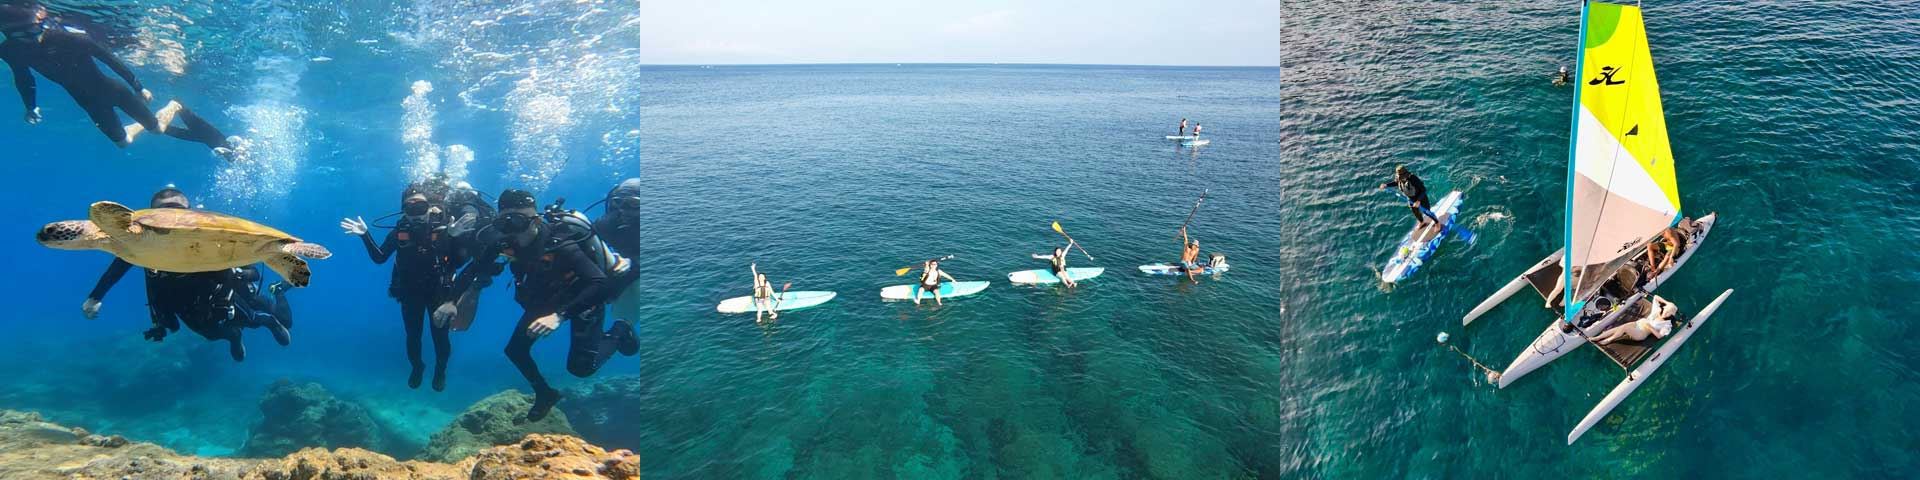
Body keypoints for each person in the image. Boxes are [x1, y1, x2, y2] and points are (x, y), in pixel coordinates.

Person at [437, 189, 638, 421]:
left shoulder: (560, 242)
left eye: (519, 221)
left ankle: (620, 329)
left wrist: (560, 316)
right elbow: (474, 269)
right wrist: (450, 301)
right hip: (543, 303)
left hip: (581, 300)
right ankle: (546, 394)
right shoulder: (503, 241)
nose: (514, 231)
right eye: (505, 222)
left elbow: (599, 283)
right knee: (515, 350)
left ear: (535, 218)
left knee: (582, 368)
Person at [0, 3, 234, 155]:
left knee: (157, 130)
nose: (25, 39)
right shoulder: (10, 50)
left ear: (41, 24)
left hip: (114, 91)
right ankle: (145, 123)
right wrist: (30, 107)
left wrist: (138, 87)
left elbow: (111, 60)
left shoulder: (72, 39)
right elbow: (23, 77)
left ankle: (173, 105)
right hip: (87, 101)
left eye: (28, 32)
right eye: (15, 34)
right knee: (123, 143)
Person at [80, 187, 254, 361]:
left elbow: (250, 266)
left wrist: (243, 274)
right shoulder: (141, 243)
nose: (172, 217)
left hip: (214, 292)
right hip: (176, 299)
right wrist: (95, 297)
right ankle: (234, 336)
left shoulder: (208, 236)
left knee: (252, 317)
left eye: (178, 211)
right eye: (164, 211)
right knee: (210, 334)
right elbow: (117, 268)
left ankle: (270, 320)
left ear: (191, 213)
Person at [341, 184, 466, 391]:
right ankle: (417, 367)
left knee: (440, 337)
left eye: (421, 207)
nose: (416, 215)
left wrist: (454, 237)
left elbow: (457, 261)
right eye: (410, 209)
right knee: (413, 335)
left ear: (430, 207)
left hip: (439, 292)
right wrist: (365, 235)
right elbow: (380, 258)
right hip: (410, 291)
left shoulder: (444, 228)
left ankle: (440, 370)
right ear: (403, 211)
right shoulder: (400, 232)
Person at [593, 178, 639, 330]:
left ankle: (623, 327)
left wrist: (631, 262)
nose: (623, 209)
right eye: (618, 202)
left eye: (632, 203)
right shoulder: (606, 224)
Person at [226, 264, 294, 348]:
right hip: (225, 308)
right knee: (212, 332)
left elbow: (255, 274)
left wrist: (243, 273)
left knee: (285, 320)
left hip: (249, 299)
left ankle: (278, 289)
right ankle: (235, 336)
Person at [1594, 295, 1676, 345]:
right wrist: (1668, 303)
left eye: (1669, 313)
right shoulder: (1657, 310)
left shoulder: (1667, 324)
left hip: (1642, 333)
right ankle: (1598, 337)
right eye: (1666, 310)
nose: (1666, 313)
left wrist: (1650, 327)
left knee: (1625, 328)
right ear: (1664, 307)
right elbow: (1655, 297)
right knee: (1621, 327)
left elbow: (1659, 336)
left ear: (1671, 315)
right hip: (1638, 324)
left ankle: (1608, 340)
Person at [1379, 165, 1438, 229]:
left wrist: (1418, 201)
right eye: (1400, 177)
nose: (1401, 178)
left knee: (1426, 211)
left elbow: (1423, 190)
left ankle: (1437, 223)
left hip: (1420, 198)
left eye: (1402, 176)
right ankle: (1422, 222)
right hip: (1410, 199)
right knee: (1416, 212)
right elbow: (1396, 183)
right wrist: (1386, 185)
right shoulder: (1399, 178)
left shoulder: (1413, 178)